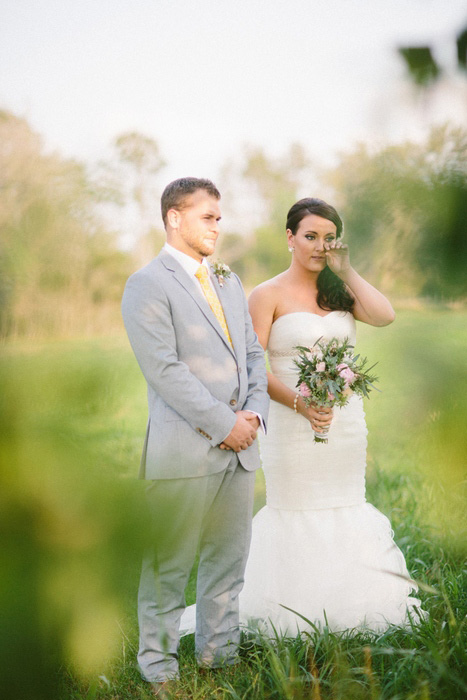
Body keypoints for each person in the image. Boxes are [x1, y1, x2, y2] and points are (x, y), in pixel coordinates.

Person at [237, 197, 424, 634]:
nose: (319, 246)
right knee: (297, 506)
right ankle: (289, 609)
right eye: (310, 237)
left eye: (328, 238)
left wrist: (346, 270)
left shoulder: (339, 290)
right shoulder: (266, 294)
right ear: (290, 238)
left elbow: (385, 315)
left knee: (345, 502)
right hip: (290, 422)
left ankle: (351, 602)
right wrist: (301, 405)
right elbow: (251, 368)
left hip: (344, 423)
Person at [121, 177, 269, 696]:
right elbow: (164, 370)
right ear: (174, 219)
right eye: (208, 216)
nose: (217, 226)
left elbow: (253, 352)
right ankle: (159, 668)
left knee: (228, 560)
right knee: (168, 567)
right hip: (184, 451)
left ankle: (218, 655)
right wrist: (224, 424)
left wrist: (253, 415)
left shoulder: (228, 279)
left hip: (241, 447)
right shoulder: (146, 283)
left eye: (219, 217)